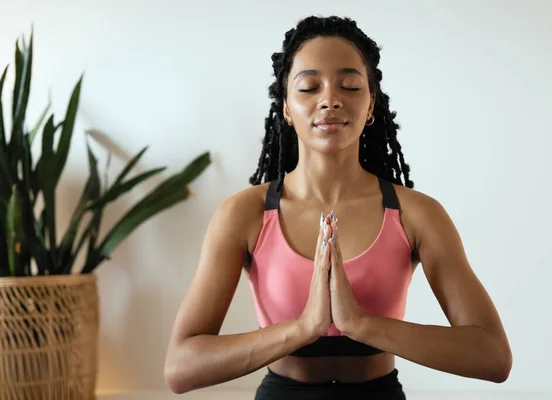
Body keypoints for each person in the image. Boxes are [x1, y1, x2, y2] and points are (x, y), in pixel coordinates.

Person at [164, 15, 512, 399]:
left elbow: (492, 355)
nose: (330, 99)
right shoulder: (244, 215)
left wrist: (361, 324)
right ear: (284, 106)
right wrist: (303, 327)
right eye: (309, 87)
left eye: (349, 85)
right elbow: (182, 367)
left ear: (370, 105)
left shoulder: (417, 215)